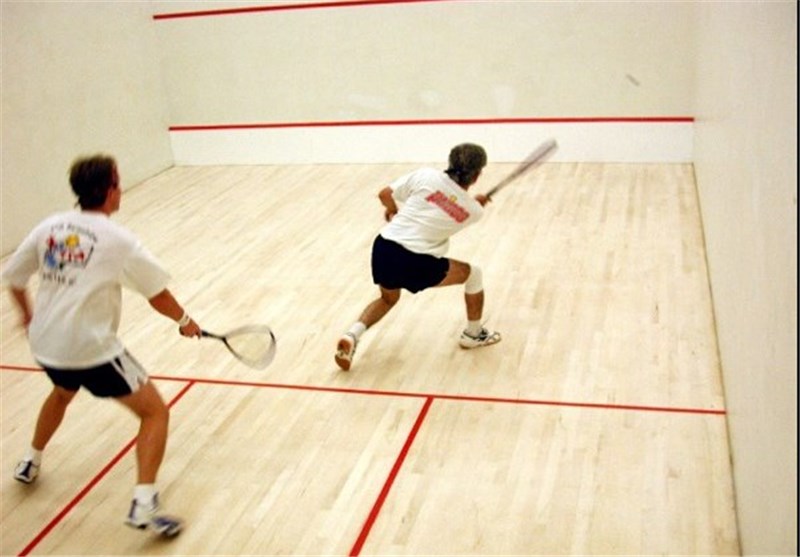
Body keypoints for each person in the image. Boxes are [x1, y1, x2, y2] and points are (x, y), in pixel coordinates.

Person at [1, 154, 201, 538]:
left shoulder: (49, 226)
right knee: (155, 413)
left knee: (62, 392)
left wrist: (27, 317)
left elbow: (14, 277)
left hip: (46, 345)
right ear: (109, 190)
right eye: (118, 182)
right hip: (90, 350)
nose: (120, 189)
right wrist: (185, 322)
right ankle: (145, 504)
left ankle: (30, 459)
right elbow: (158, 295)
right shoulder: (119, 241)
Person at [335, 142, 501, 371]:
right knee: (474, 274)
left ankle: (352, 335)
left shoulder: (426, 176)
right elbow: (460, 205)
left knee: (388, 299)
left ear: (450, 162)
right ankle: (473, 334)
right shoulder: (474, 211)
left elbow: (384, 194)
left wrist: (392, 210)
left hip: (384, 247)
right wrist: (475, 202)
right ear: (476, 176)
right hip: (416, 261)